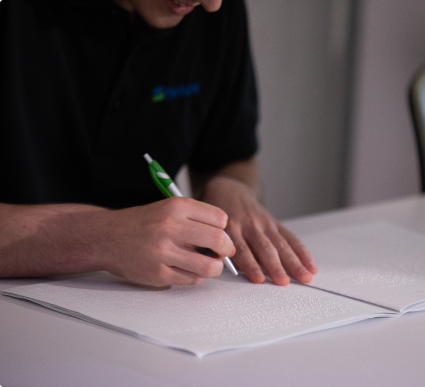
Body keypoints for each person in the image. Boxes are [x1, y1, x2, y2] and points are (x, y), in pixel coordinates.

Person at [0, 0, 317, 287]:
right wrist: (103, 238)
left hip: (143, 305)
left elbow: (232, 156)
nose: (212, 4)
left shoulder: (215, 11)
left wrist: (232, 186)